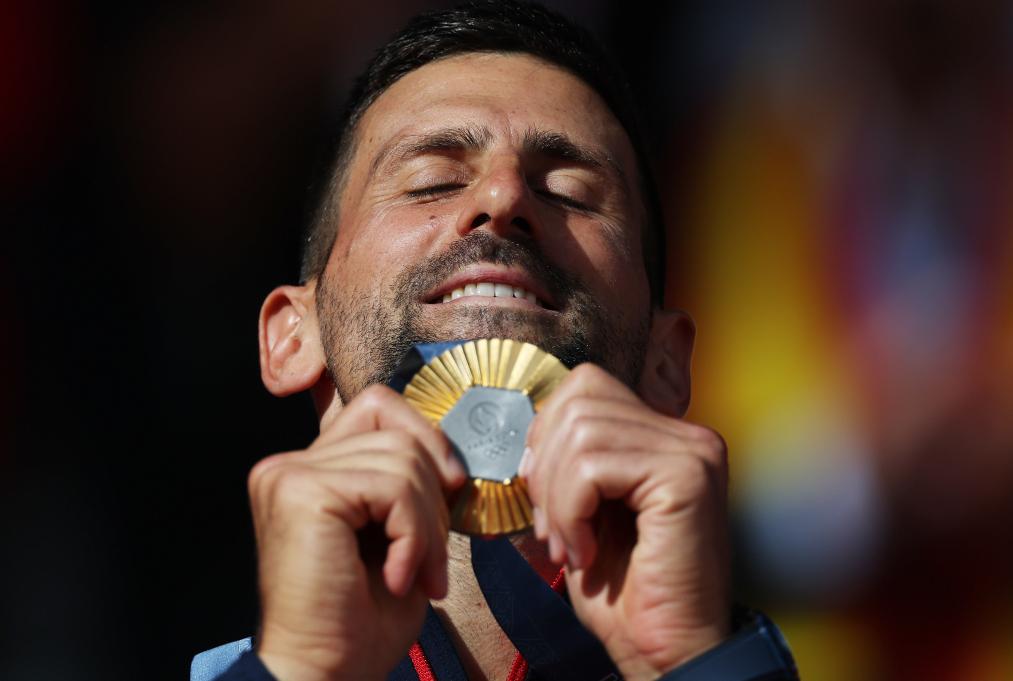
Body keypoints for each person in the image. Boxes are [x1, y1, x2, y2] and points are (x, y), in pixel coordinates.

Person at [192, 2, 798, 679]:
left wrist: (689, 656)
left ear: (668, 363)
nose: (504, 196)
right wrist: (301, 667)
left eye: (569, 191)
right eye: (432, 181)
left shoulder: (721, 655)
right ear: (290, 336)